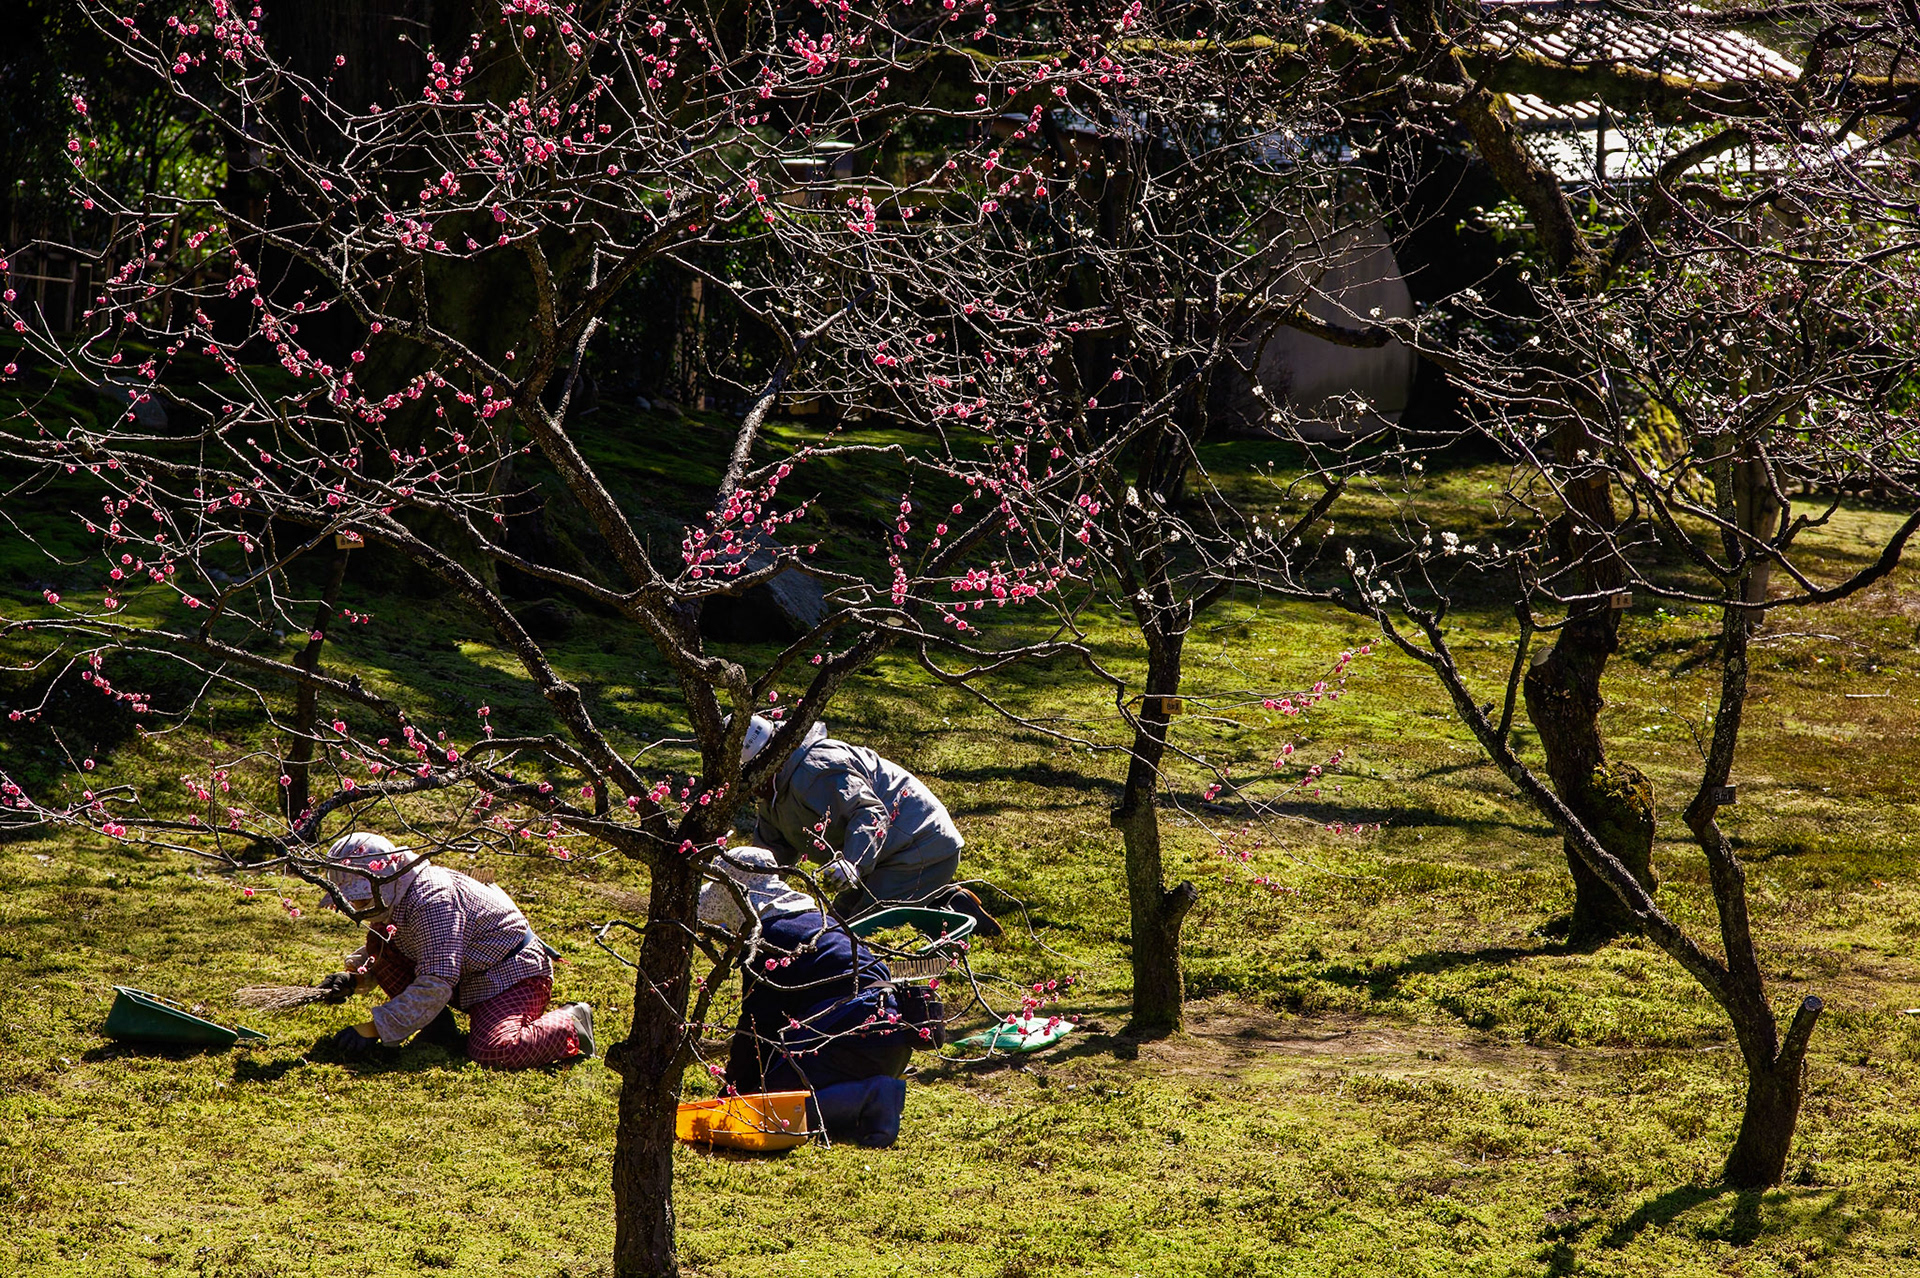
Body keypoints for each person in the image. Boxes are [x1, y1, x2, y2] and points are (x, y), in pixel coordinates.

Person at [700, 847, 943, 1147]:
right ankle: (862, 1098)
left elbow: (756, 1029)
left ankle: (872, 1097)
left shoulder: (768, 939)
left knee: (774, 1111)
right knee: (780, 1088)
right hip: (890, 1035)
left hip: (854, 1033)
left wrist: (733, 1095)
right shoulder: (819, 922)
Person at [317, 832, 593, 1070]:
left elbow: (436, 981)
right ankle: (439, 1030)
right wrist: (355, 980)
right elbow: (396, 948)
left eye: (358, 898)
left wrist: (377, 1027)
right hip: (465, 973)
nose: (353, 908)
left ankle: (571, 1021)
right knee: (380, 943)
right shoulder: (397, 895)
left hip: (510, 975)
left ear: (385, 880)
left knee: (494, 1050)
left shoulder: (432, 900)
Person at [734, 714, 1000, 936]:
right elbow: (771, 855)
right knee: (838, 925)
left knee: (861, 935)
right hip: (880, 857)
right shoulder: (772, 794)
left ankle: (946, 915)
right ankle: (946, 900)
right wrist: (745, 902)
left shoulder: (817, 769)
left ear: (767, 762)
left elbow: (870, 813)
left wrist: (852, 863)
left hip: (918, 847)